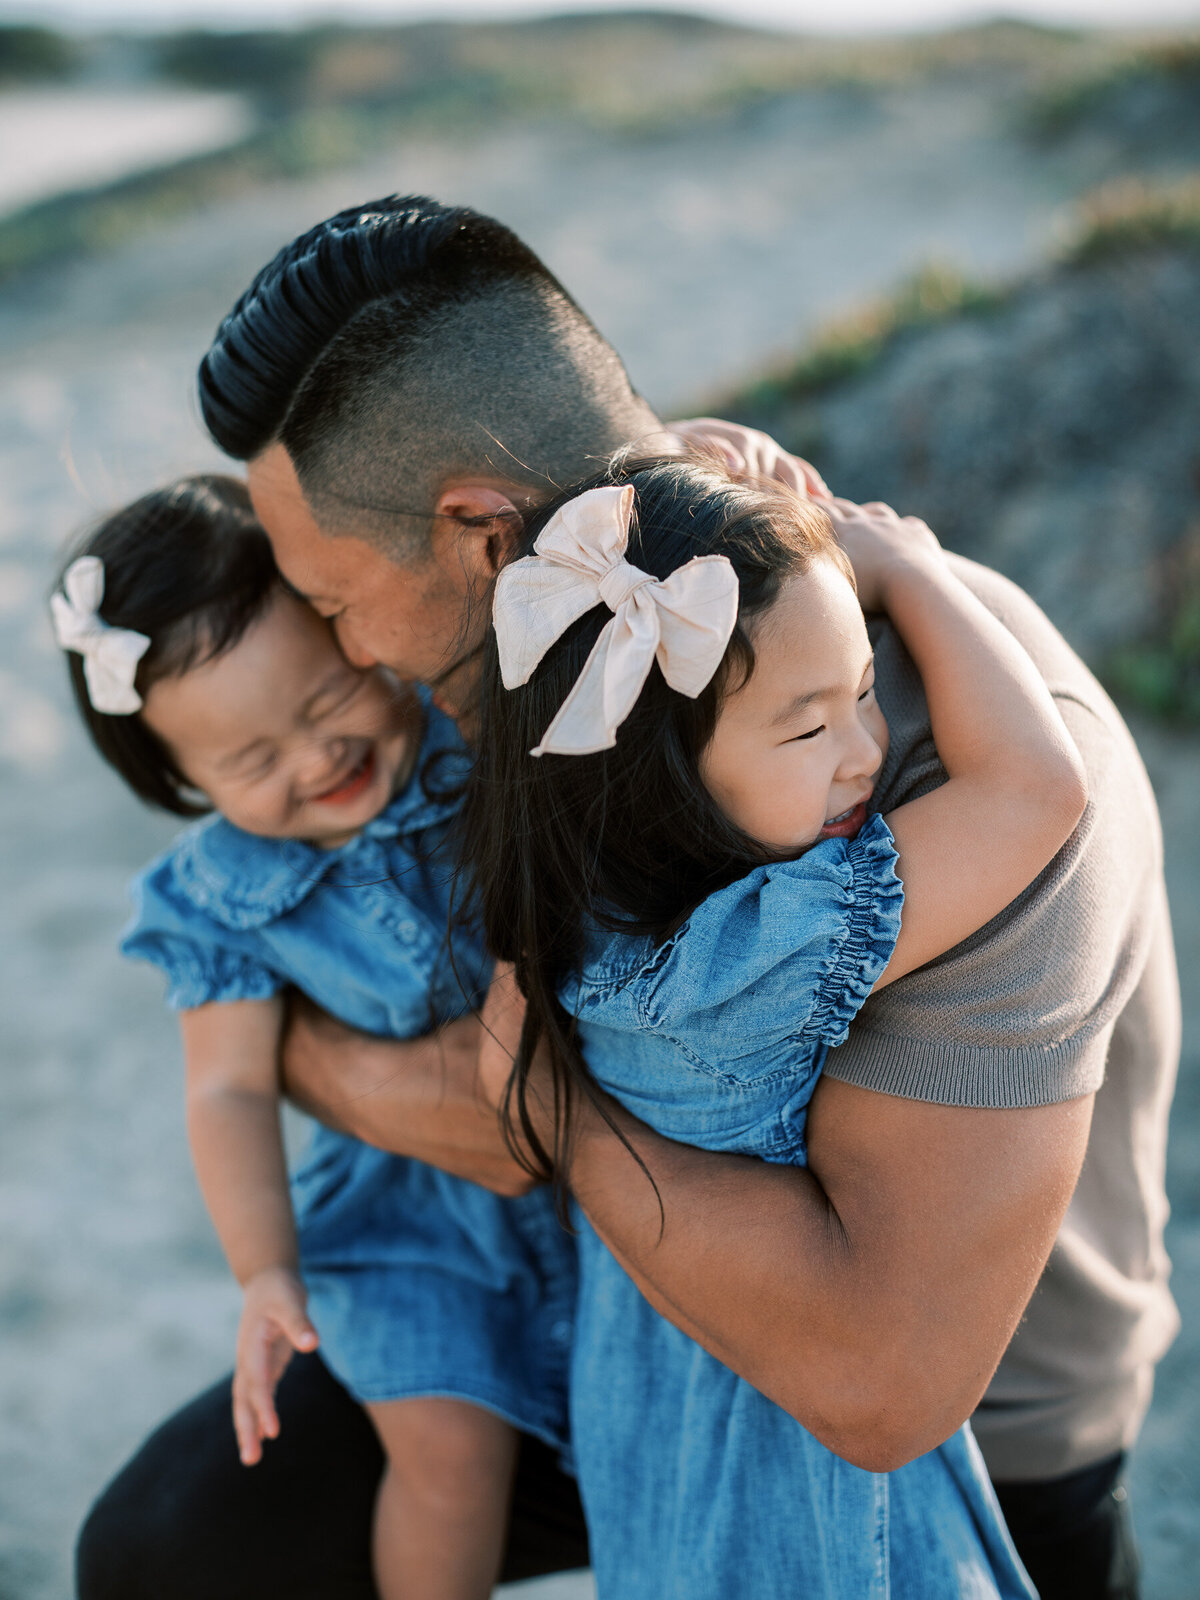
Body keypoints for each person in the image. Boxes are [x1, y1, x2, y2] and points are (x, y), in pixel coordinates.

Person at [77, 196, 1177, 1600]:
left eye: (341, 603)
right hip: (601, 1328)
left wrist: (536, 1105)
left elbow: (878, 1381)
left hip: (950, 1452)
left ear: (480, 536)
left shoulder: (910, 749)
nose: (345, 661)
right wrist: (332, 1070)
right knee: (173, 1546)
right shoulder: (529, 650)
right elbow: (273, 950)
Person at [458, 450, 1089, 1596]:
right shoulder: (748, 959)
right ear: (661, 777)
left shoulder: (575, 918)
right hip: (811, 1491)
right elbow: (1040, 788)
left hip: (647, 1420)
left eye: (865, 691)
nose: (867, 750)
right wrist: (911, 567)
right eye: (806, 731)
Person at [54, 476, 576, 1600]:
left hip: (600, 1191)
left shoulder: (470, 740)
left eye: (329, 693)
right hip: (406, 1228)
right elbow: (231, 1093)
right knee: (447, 1457)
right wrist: (266, 1271)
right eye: (248, 761)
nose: (313, 757)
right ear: (183, 783)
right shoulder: (219, 902)